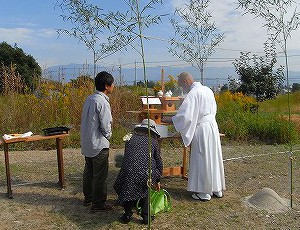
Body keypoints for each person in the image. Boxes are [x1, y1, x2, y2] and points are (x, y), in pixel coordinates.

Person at [169, 72, 225, 201]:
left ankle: (204, 192)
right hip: (212, 126)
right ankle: (216, 189)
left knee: (202, 159)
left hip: (202, 129)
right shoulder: (208, 90)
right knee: (213, 157)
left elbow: (185, 116)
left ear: (185, 82)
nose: (183, 89)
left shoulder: (194, 93)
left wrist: (173, 120)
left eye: (181, 86)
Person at [114, 119, 163, 225]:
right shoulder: (153, 142)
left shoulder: (130, 139)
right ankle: (146, 216)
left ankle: (127, 213)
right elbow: (158, 161)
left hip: (128, 170)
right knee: (146, 188)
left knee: (128, 186)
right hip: (145, 172)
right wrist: (157, 179)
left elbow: (127, 156)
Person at [80, 71, 114, 212]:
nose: (114, 86)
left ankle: (88, 198)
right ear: (107, 86)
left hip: (88, 142)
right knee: (100, 175)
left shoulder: (90, 98)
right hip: (99, 143)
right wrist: (108, 136)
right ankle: (98, 203)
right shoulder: (102, 101)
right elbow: (106, 124)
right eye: (112, 84)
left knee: (89, 171)